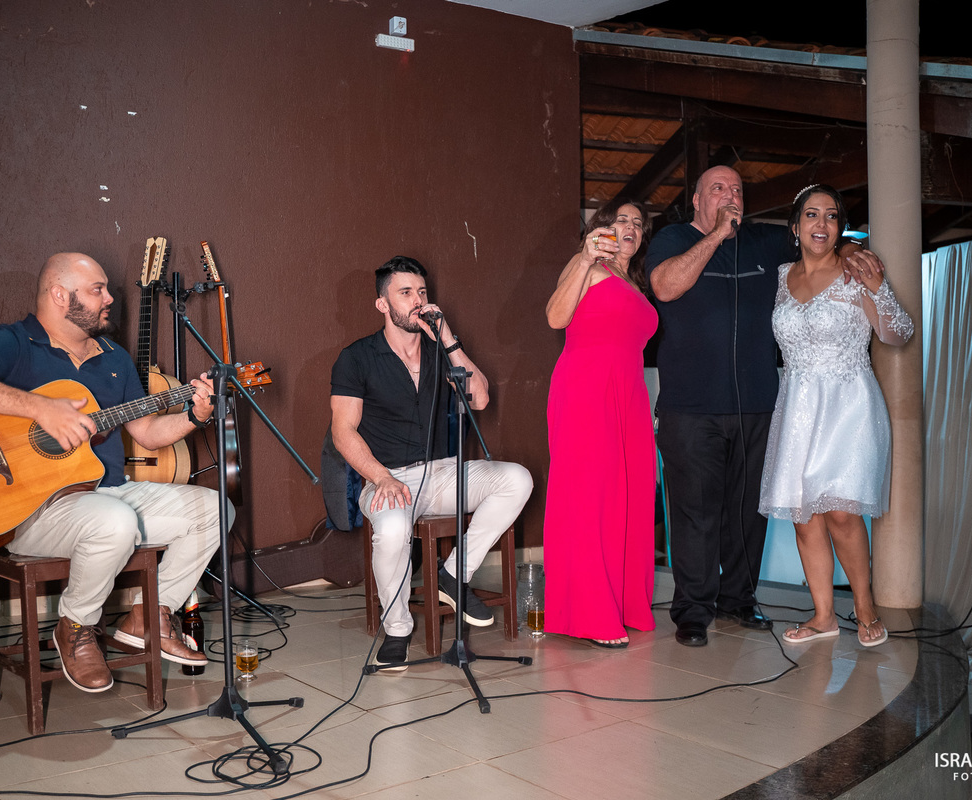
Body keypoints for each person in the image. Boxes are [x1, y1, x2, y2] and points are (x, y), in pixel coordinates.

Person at [0, 253, 227, 693]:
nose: (110, 298)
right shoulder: (14, 342)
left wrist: (196, 413)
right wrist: (39, 408)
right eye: (97, 290)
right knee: (114, 521)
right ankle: (75, 628)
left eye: (106, 289)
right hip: (33, 509)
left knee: (214, 507)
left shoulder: (113, 356)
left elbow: (146, 432)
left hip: (108, 493)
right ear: (59, 294)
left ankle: (149, 615)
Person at [330, 256, 533, 670]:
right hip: (386, 477)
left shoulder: (442, 351)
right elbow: (343, 432)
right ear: (382, 304)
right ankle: (398, 628)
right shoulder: (357, 357)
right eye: (405, 293)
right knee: (391, 526)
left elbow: (480, 398)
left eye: (422, 292)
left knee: (517, 478)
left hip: (442, 471)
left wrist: (450, 339)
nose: (417, 301)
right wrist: (381, 478)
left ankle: (452, 575)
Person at [644, 165, 797, 647]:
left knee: (749, 513)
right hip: (691, 409)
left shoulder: (764, 243)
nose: (730, 196)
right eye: (718, 189)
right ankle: (692, 610)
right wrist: (716, 236)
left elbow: (818, 243)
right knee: (694, 513)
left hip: (756, 406)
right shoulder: (672, 239)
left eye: (736, 190)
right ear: (696, 200)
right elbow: (665, 287)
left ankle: (738, 599)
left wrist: (852, 251)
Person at [758, 185, 913, 647]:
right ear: (796, 227)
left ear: (839, 227)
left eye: (830, 217)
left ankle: (864, 610)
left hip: (850, 407)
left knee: (843, 514)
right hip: (797, 408)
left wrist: (878, 288)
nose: (820, 224)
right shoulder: (782, 275)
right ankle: (823, 615)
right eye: (811, 215)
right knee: (805, 517)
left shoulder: (854, 273)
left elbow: (898, 333)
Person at [543, 200, 657, 648]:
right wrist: (587, 258)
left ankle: (625, 603)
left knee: (629, 498)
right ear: (602, 229)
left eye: (637, 223)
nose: (630, 227)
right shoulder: (587, 267)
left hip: (628, 397)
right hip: (586, 392)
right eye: (620, 220)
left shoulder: (634, 283)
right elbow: (555, 317)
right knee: (591, 497)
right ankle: (590, 613)